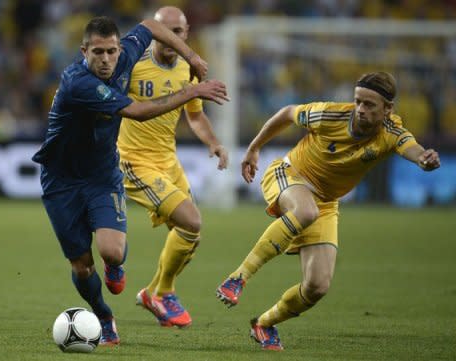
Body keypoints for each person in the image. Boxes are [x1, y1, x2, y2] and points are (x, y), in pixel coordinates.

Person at [32, 16, 228, 346]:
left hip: (102, 173)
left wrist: (191, 56)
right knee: (81, 266)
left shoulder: (126, 55)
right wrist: (192, 91)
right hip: (61, 180)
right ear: (84, 51)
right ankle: (103, 315)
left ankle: (117, 266)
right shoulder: (77, 83)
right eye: (98, 52)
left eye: (111, 51)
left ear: (119, 48)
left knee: (111, 252)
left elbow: (150, 24)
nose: (106, 59)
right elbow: (137, 111)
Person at [215, 71, 440, 351]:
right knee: (305, 211)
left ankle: (264, 324)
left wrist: (424, 160)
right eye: (358, 101)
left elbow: (413, 148)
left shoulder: (391, 133)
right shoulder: (329, 115)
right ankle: (238, 277)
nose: (360, 109)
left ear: (388, 109)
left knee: (317, 286)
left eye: (370, 105)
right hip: (289, 174)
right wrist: (253, 149)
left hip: (325, 201)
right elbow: (287, 113)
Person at [117, 6, 229, 329]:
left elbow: (194, 115)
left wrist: (214, 143)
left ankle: (153, 293)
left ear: (186, 33)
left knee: (190, 238)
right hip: (135, 160)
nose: (170, 40)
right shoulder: (133, 66)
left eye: (177, 32)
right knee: (191, 221)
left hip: (168, 161)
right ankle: (164, 292)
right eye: (163, 33)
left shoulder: (185, 71)